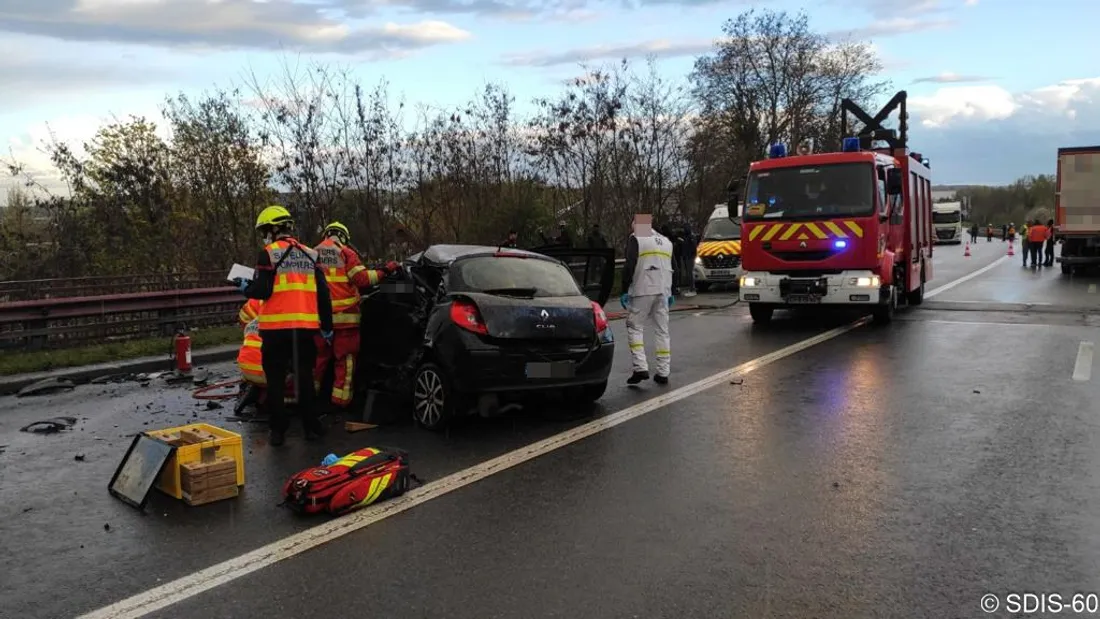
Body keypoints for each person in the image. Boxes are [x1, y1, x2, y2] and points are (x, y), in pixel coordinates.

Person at [237, 205, 334, 446]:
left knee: (276, 382)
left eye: (265, 231)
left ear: (273, 229)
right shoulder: (311, 255)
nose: (264, 236)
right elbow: (323, 294)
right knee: (304, 379)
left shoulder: (268, 254)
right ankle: (311, 428)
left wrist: (244, 287)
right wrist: (327, 326)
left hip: (275, 330)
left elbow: (263, 290)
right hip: (304, 329)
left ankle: (278, 432)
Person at [313, 222, 400, 410]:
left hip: (319, 320)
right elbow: (362, 279)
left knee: (318, 360)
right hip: (346, 320)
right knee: (345, 362)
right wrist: (385, 271)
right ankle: (340, 402)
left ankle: (310, 398)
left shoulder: (311, 253)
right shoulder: (346, 253)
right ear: (344, 237)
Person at [620, 214, 674, 386]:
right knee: (662, 330)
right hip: (664, 291)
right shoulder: (666, 241)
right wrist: (671, 291)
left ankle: (640, 367)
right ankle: (663, 372)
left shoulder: (636, 238)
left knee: (634, 327)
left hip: (643, 289)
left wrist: (624, 289)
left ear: (637, 225)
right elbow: (675, 268)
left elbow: (629, 265)